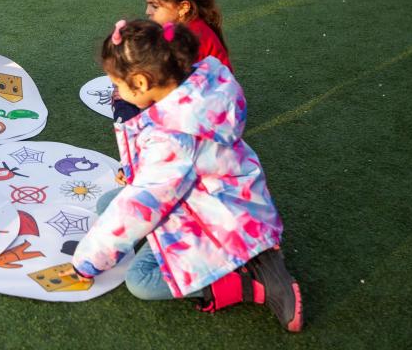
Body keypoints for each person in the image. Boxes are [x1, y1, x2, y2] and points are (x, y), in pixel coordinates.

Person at [65, 19, 303, 332]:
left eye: (117, 85)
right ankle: (256, 257)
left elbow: (141, 205)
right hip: (217, 203)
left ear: (140, 82)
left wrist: (88, 261)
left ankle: (247, 282)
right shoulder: (198, 88)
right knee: (106, 204)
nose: (116, 92)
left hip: (220, 225)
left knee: (141, 281)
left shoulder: (176, 137)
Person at [113, 0, 232, 123]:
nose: (147, 12)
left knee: (125, 95)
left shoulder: (189, 37)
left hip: (202, 114)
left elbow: (171, 84)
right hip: (211, 104)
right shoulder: (188, 26)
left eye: (154, 6)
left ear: (183, 7)